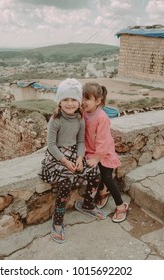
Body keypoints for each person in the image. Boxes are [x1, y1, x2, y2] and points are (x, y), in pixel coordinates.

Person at [38, 78, 106, 244]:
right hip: (57, 157)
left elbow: (81, 142)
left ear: (79, 101)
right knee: (65, 182)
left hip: (75, 154)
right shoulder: (55, 120)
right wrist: (65, 162)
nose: (70, 104)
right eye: (65, 99)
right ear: (59, 101)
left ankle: (88, 204)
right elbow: (51, 145)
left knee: (95, 173)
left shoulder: (80, 119)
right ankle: (58, 220)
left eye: (74, 99)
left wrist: (80, 158)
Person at [82, 82, 129, 223]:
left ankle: (121, 205)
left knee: (107, 177)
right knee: (95, 174)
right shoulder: (84, 112)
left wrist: (97, 157)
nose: (83, 102)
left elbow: (103, 141)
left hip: (104, 152)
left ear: (98, 101)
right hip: (91, 151)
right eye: (82, 98)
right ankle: (102, 191)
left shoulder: (102, 118)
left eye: (87, 99)